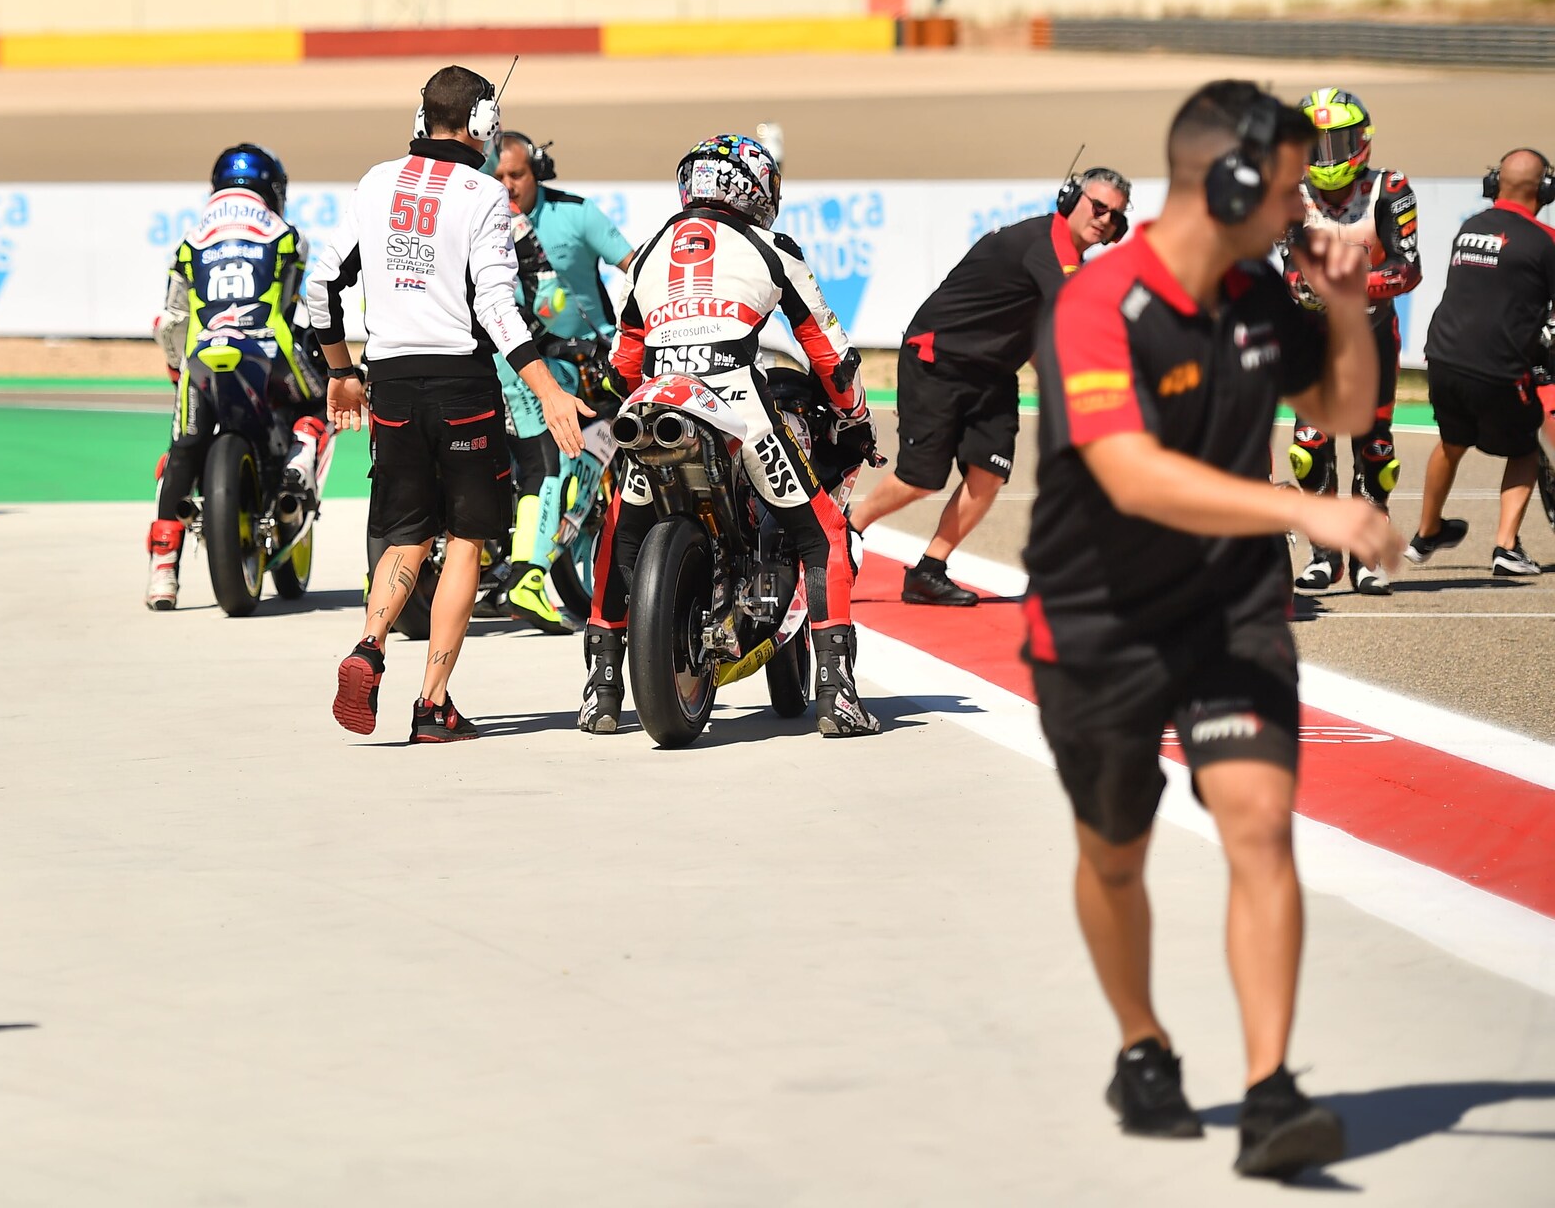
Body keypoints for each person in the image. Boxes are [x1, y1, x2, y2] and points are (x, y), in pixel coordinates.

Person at [1023, 80, 1390, 1179]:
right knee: (1113, 852)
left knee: (1259, 822)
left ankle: (1272, 1095)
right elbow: (1130, 476)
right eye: (1285, 191)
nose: (1302, 212)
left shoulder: (1254, 294)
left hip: (1230, 606)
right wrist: (1303, 508)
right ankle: (1142, 1044)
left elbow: (1343, 415)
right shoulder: (1097, 304)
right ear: (1228, 181)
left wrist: (1342, 305)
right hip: (1097, 617)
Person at [309, 66, 590, 742]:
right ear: (485, 125)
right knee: (465, 538)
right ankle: (433, 702)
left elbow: (321, 284)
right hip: (462, 385)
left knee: (407, 531)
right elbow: (498, 305)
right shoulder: (484, 195)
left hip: (392, 385)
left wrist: (342, 371)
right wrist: (549, 389)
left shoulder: (376, 182)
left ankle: (370, 642)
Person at [584, 133, 882, 737]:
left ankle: (601, 690)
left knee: (619, 533)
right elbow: (830, 351)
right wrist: (853, 413)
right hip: (736, 400)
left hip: (654, 400)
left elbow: (622, 363)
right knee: (822, 533)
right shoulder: (773, 247)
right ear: (752, 187)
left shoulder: (648, 253)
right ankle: (837, 694)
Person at [852, 162, 1131, 606]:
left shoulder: (1065, 260)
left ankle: (929, 572)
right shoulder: (1043, 246)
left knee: (989, 471)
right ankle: (845, 533)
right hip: (937, 360)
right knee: (921, 478)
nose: (1104, 220)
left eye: (1115, 215)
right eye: (1098, 207)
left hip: (993, 373)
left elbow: (1041, 332)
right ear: (1071, 199)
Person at [146, 143, 327, 609]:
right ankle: (299, 462)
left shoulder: (188, 240)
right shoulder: (288, 235)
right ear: (271, 188)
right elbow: (292, 305)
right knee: (322, 396)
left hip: (204, 353)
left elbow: (171, 320)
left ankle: (162, 572)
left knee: (184, 447)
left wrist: (175, 368)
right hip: (269, 347)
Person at [490, 129, 633, 633]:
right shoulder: (488, 224)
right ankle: (528, 573)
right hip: (526, 364)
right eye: (498, 175)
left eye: (517, 175)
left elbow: (634, 266)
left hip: (592, 362)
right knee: (548, 458)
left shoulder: (577, 213)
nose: (507, 185)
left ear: (538, 172)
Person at [1280, 89, 1422, 595]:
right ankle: (1325, 553)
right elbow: (1285, 265)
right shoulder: (1289, 193)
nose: (1325, 157)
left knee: (1376, 450)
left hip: (1372, 336)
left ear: (1361, 141)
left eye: (1336, 143)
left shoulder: (1390, 187)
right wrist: (1298, 286)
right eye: (1314, 145)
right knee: (1307, 450)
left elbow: (1408, 268)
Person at [1406, 147, 1555, 579]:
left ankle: (1426, 534)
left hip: (1443, 357)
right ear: (1544, 189)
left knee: (1451, 442)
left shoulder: (1470, 227)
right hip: (1498, 367)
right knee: (1527, 445)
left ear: (1496, 184)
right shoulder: (1545, 243)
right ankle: (1506, 548)